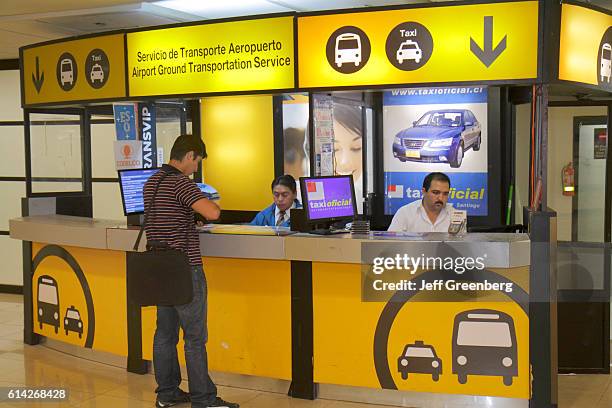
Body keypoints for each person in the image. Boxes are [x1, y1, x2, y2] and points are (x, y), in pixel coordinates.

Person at [143, 134, 239, 408]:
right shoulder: (180, 182)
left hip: (159, 268)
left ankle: (167, 393)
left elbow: (166, 215)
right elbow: (213, 213)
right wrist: (202, 201)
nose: (195, 168)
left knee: (165, 334)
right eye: (196, 162)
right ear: (189, 155)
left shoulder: (152, 182)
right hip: (185, 268)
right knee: (195, 337)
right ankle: (204, 399)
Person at [388, 172, 460, 233]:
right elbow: (391, 244)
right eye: (435, 192)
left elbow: (460, 246)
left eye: (445, 194)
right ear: (424, 191)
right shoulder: (405, 213)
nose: (441, 198)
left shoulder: (455, 215)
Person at [333, 102, 363, 211]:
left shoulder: (362, 200)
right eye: (335, 149)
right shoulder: (301, 197)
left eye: (356, 147)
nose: (345, 161)